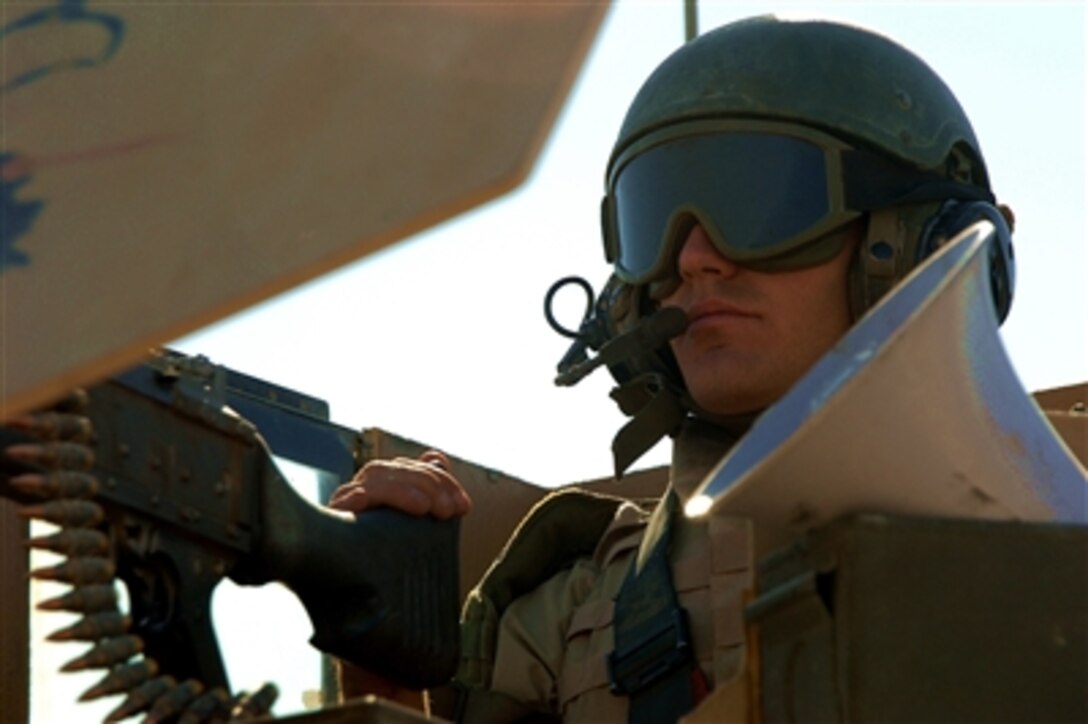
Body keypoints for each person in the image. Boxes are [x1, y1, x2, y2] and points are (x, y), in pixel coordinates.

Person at [328, 15, 1013, 722]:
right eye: (658, 219)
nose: (692, 260)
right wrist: (382, 676)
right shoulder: (567, 615)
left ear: (912, 247)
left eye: (755, 204)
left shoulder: (1048, 536)